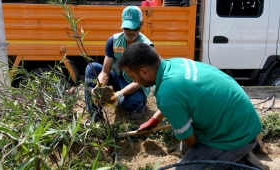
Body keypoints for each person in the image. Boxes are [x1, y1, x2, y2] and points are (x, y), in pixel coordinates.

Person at [116, 42, 265, 169]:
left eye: (133, 78)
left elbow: (190, 139)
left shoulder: (167, 94)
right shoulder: (173, 64)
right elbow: (177, 98)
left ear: (144, 71)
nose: (133, 81)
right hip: (243, 118)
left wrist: (187, 132)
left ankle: (238, 160)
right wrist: (154, 120)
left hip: (238, 134)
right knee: (185, 149)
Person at [84, 6, 154, 120]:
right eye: (127, 28)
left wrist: (120, 94)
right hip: (117, 78)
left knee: (129, 103)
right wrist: (100, 86)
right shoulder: (113, 41)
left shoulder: (146, 47)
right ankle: (94, 114)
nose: (130, 31)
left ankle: (140, 106)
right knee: (91, 68)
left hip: (136, 84)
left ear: (141, 25)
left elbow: (141, 81)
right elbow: (105, 71)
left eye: (134, 28)